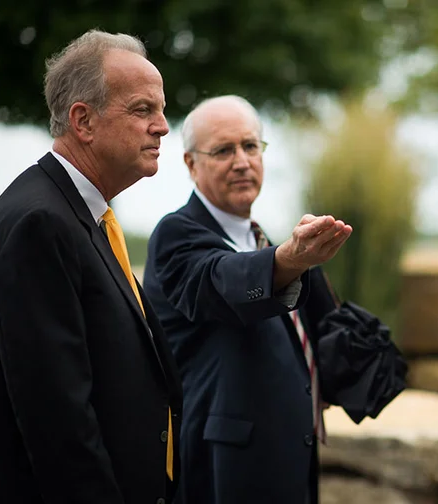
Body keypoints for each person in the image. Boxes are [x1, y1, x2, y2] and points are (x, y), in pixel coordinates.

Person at [0, 30, 183, 504]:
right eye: (143, 110)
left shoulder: (81, 214)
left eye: (161, 110)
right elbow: (57, 420)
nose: (162, 126)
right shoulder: (42, 222)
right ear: (84, 121)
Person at [142, 95, 353, 504]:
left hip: (291, 460)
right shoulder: (176, 235)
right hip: (227, 469)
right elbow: (224, 282)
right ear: (190, 164)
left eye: (250, 146)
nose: (241, 161)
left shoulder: (262, 239)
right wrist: (287, 260)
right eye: (223, 150)